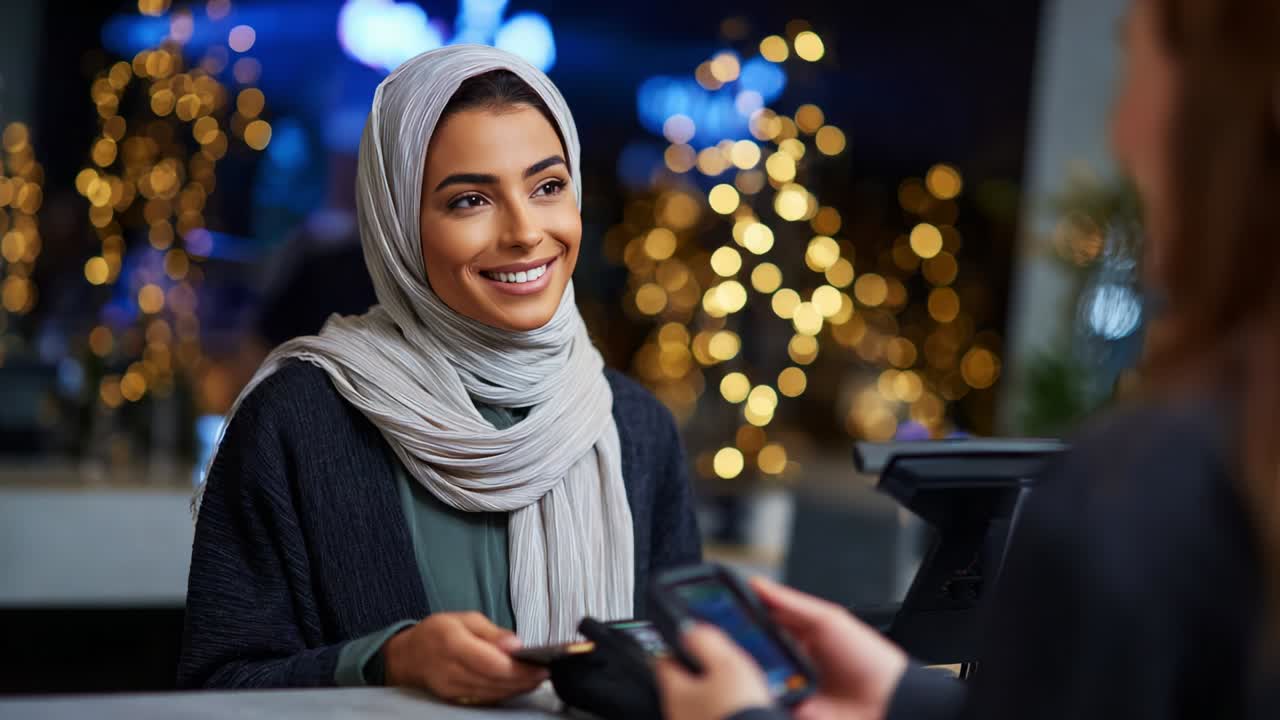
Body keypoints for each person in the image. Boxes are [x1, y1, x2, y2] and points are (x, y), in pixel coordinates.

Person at [654, 0, 1280, 717]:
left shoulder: (1134, 505)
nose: (1118, 127)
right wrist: (899, 694)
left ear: (1213, 110)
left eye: (1131, 64)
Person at [177, 45, 701, 705]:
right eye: (470, 200)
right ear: (400, 224)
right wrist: (386, 662)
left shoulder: (636, 428)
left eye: (547, 186)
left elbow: (691, 678)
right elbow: (216, 687)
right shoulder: (300, 418)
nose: (524, 232)